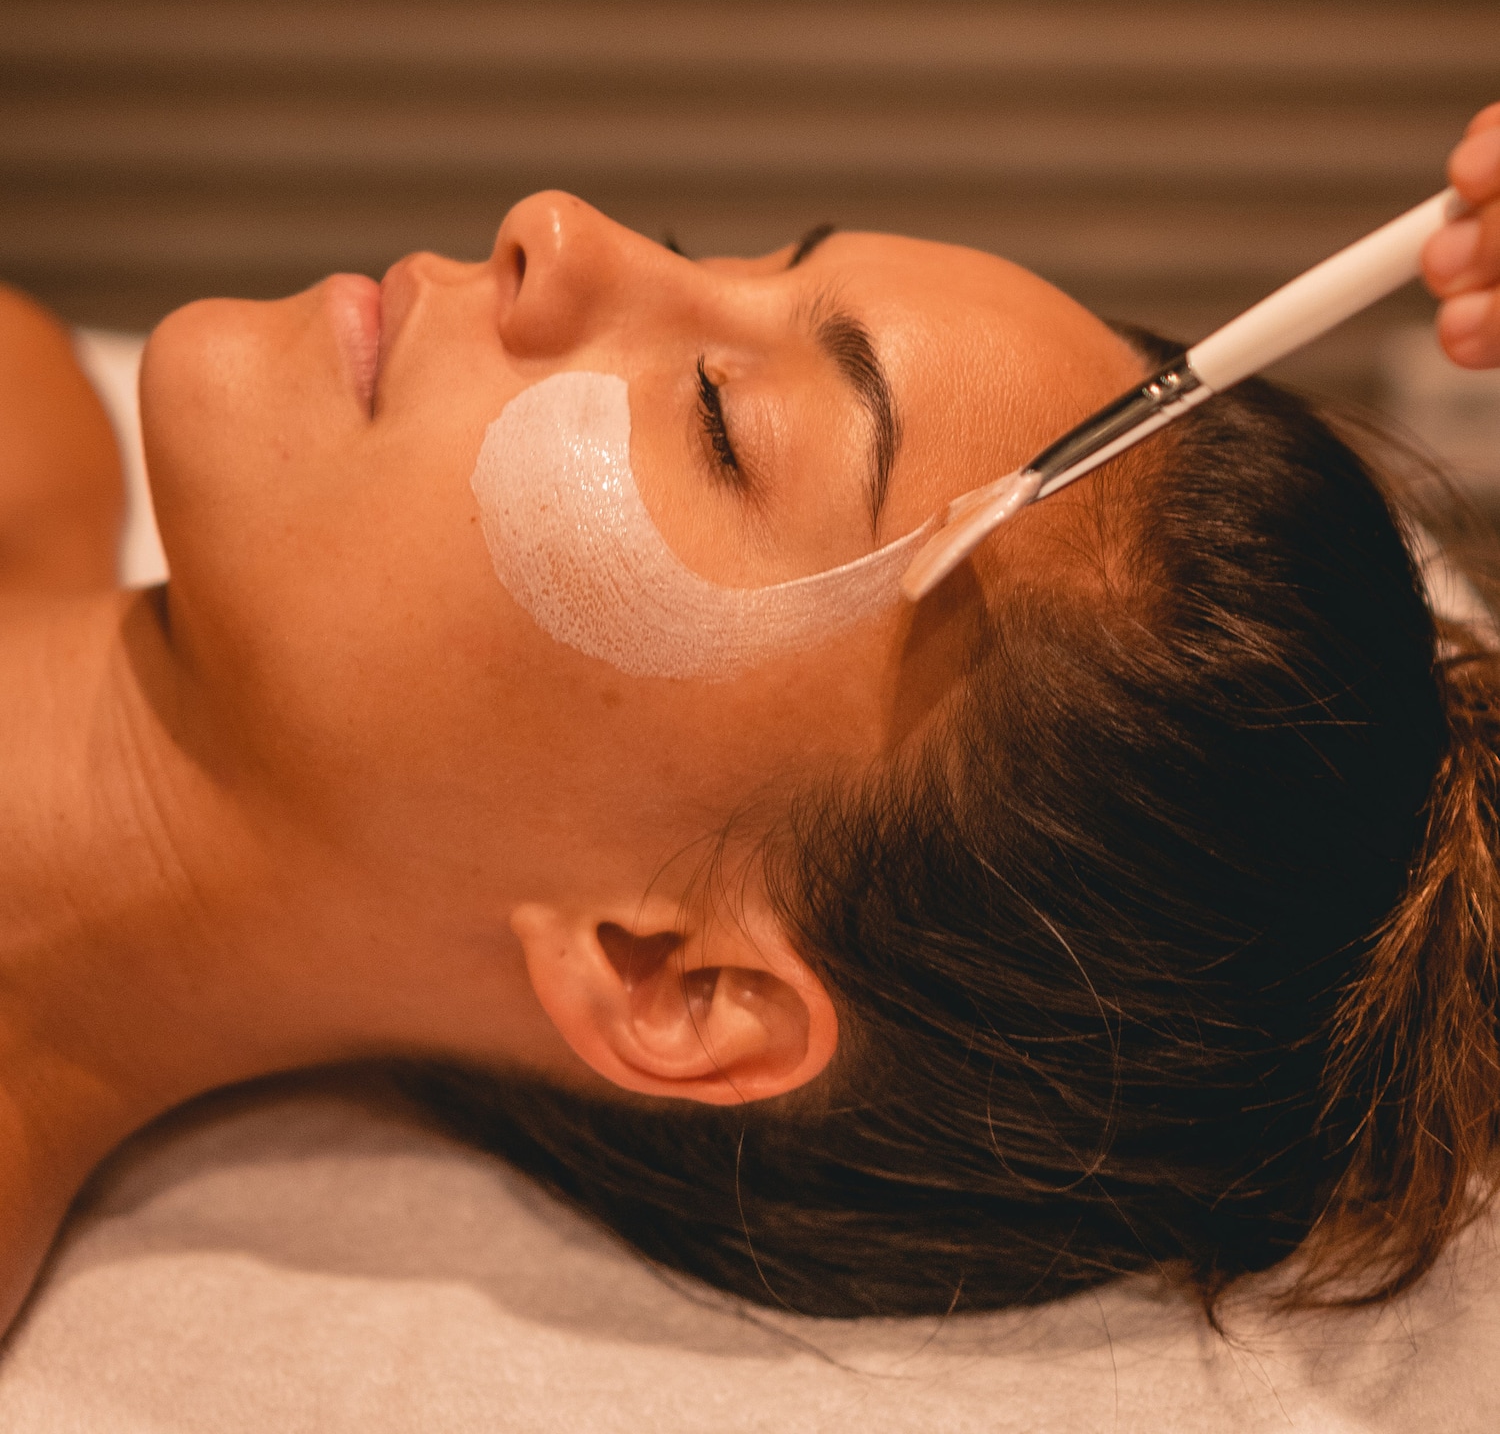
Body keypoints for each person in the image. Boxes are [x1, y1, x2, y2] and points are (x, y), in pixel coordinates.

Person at [0, 109, 1498, 1339]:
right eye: (713, 255)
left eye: (721, 419)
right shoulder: (30, 425)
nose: (556, 223)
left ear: (670, 975)